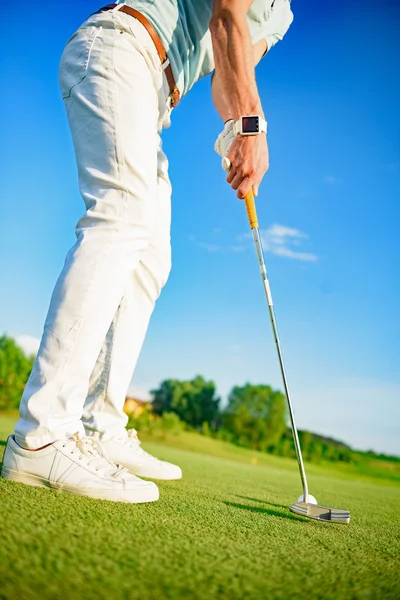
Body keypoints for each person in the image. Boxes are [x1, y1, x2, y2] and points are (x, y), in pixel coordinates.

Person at [1, 0, 293, 503]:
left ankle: (100, 425)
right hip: (122, 46)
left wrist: (238, 126)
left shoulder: (282, 16)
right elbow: (226, 15)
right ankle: (42, 431)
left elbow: (228, 71)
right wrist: (251, 126)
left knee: (151, 261)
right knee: (122, 217)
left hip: (157, 92)